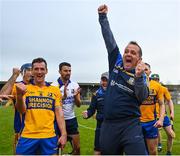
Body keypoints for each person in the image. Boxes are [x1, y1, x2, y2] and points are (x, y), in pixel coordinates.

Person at [98, 4, 149, 155]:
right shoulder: (116, 62)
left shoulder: (141, 76)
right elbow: (109, 40)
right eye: (126, 51)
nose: (128, 54)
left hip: (130, 125)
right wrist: (103, 18)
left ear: (139, 59)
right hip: (108, 125)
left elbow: (142, 96)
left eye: (133, 53)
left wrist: (139, 77)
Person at [15, 58, 67, 155]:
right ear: (32, 71)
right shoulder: (24, 88)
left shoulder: (54, 90)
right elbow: (21, 110)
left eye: (42, 69)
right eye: (36, 69)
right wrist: (19, 95)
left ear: (46, 71)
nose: (39, 72)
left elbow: (59, 114)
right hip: (28, 135)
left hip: (49, 136)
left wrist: (64, 134)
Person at [52, 62, 81, 155]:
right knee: (56, 148)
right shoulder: (53, 86)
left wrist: (76, 97)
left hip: (71, 119)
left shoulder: (75, 85)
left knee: (77, 148)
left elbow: (79, 104)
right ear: (59, 71)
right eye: (65, 71)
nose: (68, 73)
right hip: (57, 120)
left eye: (69, 71)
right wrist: (62, 97)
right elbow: (52, 106)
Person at [0, 65, 31, 153]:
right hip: (21, 129)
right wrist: (14, 75)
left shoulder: (40, 87)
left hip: (39, 130)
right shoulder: (17, 86)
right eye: (28, 70)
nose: (31, 72)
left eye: (33, 70)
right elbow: (2, 95)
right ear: (22, 73)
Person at [140, 63, 165, 155]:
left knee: (153, 151)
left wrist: (161, 120)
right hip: (135, 123)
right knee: (137, 151)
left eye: (146, 69)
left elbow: (162, 104)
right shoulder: (133, 84)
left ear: (150, 72)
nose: (144, 71)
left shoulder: (157, 86)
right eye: (142, 69)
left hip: (151, 123)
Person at [82, 72, 108, 155]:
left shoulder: (115, 93)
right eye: (103, 80)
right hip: (100, 125)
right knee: (97, 149)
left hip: (113, 125)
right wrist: (87, 114)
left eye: (106, 80)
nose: (104, 82)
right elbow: (91, 109)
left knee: (113, 150)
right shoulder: (96, 94)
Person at [151, 74, 175, 155]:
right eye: (153, 79)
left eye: (156, 79)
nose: (155, 81)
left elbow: (169, 101)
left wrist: (172, 112)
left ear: (159, 80)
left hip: (163, 116)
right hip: (153, 116)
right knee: (157, 132)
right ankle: (159, 144)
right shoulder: (149, 88)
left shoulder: (163, 89)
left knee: (171, 135)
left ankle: (169, 152)